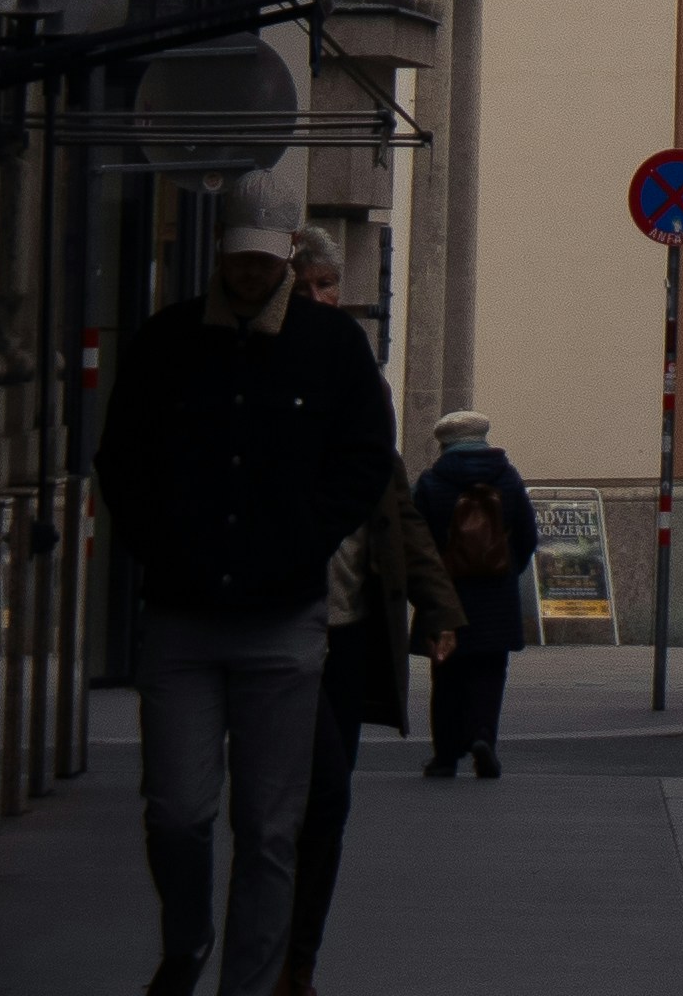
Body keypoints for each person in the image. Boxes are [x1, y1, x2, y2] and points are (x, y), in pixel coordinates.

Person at [95, 167, 399, 996]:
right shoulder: (166, 342)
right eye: (239, 258)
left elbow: (368, 457)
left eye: (265, 261)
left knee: (271, 829)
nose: (250, 273)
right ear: (219, 253)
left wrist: (303, 539)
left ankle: (250, 983)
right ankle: (187, 936)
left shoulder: (332, 348)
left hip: (281, 621)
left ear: (288, 255)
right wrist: (158, 545)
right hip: (184, 616)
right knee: (178, 812)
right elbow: (120, 459)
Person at [282, 242, 459, 996]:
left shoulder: (359, 379)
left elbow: (399, 511)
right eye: (313, 284)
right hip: (280, 626)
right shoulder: (265, 376)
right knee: (308, 792)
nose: (326, 296)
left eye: (331, 285)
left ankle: (297, 960)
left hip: (350, 630)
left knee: (328, 798)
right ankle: (274, 948)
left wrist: (439, 604)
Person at [410, 402, 540, 775]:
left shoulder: (431, 483)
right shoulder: (508, 478)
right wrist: (507, 569)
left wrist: (426, 585)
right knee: (490, 670)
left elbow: (417, 541)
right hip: (495, 594)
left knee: (446, 673)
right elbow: (528, 534)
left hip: (445, 593)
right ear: (483, 438)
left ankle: (446, 755)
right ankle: (483, 735)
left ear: (444, 444)